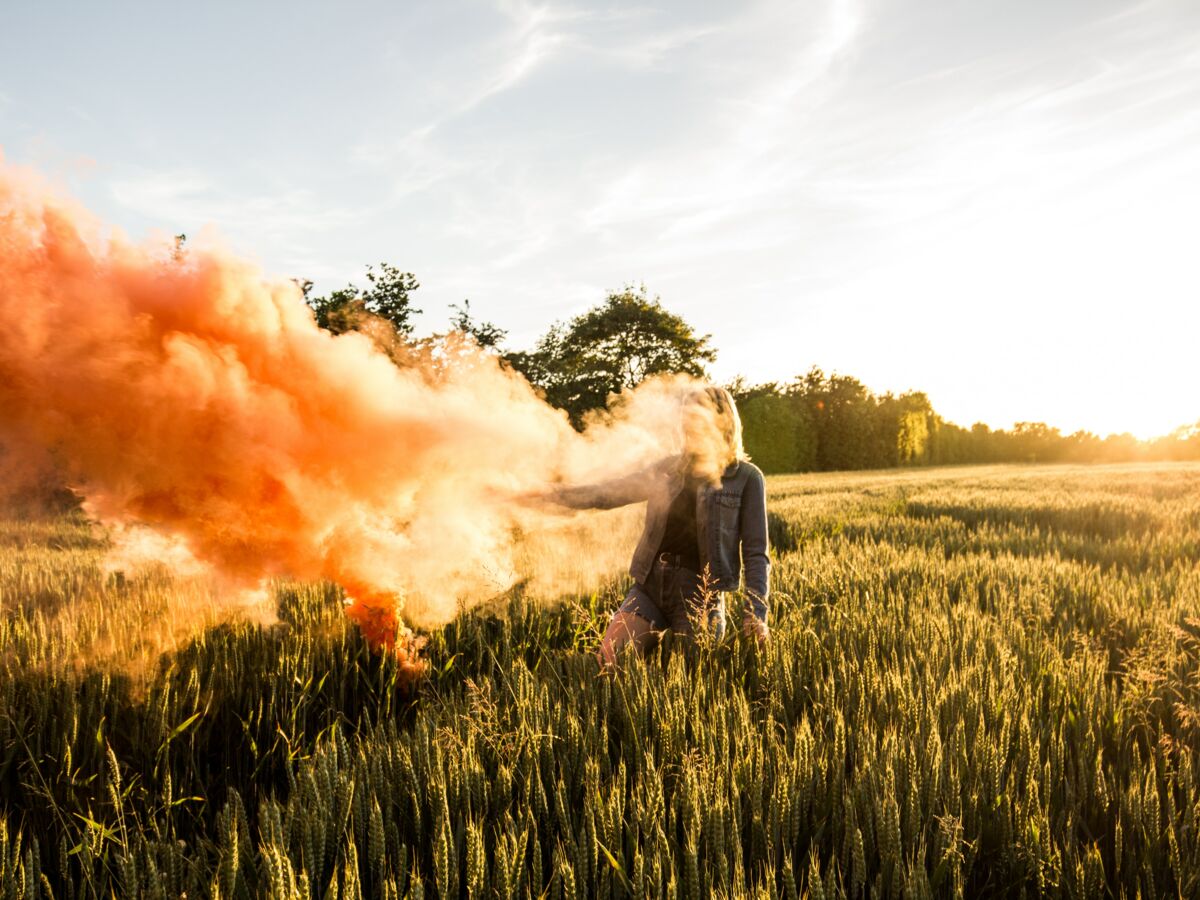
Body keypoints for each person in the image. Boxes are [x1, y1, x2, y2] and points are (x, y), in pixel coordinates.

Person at [544, 385, 770, 668]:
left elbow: (755, 553)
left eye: (698, 417)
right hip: (650, 584)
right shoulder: (667, 468)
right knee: (610, 662)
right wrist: (548, 494)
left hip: (700, 596)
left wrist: (755, 613)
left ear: (722, 420)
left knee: (692, 683)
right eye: (686, 418)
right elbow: (607, 493)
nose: (689, 425)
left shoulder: (745, 478)